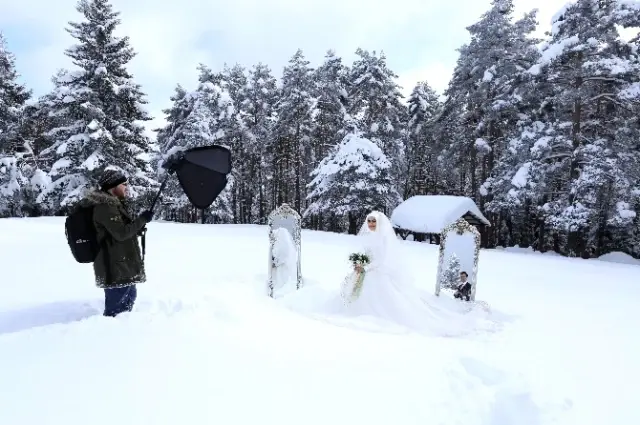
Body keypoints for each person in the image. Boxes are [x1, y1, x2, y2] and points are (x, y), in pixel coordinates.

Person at [335, 211, 491, 335]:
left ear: (380, 223)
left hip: (378, 272)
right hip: (366, 271)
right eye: (369, 221)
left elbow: (382, 259)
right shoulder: (369, 236)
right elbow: (366, 254)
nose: (370, 224)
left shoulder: (383, 238)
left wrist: (366, 268)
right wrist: (359, 264)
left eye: (374, 221)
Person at [78, 169, 153, 316]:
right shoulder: (105, 207)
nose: (126, 187)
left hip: (123, 263)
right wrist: (142, 219)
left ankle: (123, 332)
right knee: (117, 309)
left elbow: (119, 231)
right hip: (114, 265)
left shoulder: (114, 204)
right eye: (123, 184)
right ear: (113, 186)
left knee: (129, 299)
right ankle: (112, 335)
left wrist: (138, 228)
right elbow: (121, 233)